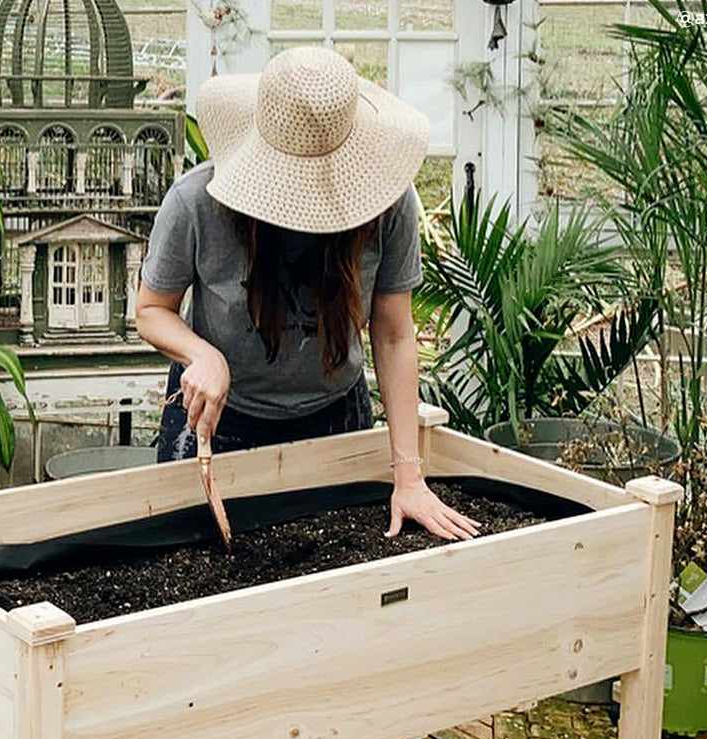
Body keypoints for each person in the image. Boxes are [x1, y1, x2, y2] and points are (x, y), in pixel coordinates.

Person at [136, 46, 478, 541]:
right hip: (218, 426)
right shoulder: (196, 202)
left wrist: (409, 474)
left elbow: (395, 334)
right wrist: (200, 353)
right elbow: (150, 309)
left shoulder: (389, 204)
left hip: (337, 421)